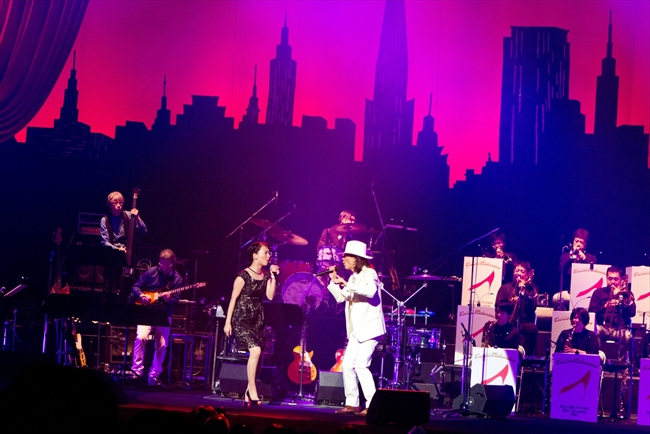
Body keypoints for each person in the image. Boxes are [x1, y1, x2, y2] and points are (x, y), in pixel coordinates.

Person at [325, 240, 386, 417]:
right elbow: (341, 298)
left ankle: (373, 405)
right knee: (347, 364)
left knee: (361, 365)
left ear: (355, 259)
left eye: (346, 257)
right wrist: (334, 282)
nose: (343, 260)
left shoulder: (370, 273)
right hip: (356, 330)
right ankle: (352, 403)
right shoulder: (353, 277)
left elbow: (371, 292)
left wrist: (346, 283)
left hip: (370, 328)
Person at [223, 241, 279, 406]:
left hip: (258, 319)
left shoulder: (266, 275)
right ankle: (253, 389)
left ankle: (249, 390)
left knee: (259, 354)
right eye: (265, 253)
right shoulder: (243, 276)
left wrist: (273, 276)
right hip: (241, 318)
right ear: (255, 256)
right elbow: (233, 299)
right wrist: (228, 322)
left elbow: (270, 296)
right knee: (255, 351)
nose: (269, 256)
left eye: (269, 253)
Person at [130, 248, 182, 386]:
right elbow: (135, 287)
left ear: (173, 262)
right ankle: (136, 373)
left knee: (162, 344)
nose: (164, 267)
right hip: (146, 311)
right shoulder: (151, 272)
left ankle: (153, 375)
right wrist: (142, 295)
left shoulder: (177, 279)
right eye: (162, 264)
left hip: (164, 312)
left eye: (167, 265)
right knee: (141, 337)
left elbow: (175, 302)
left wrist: (169, 299)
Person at [588, 266, 636, 358]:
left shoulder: (626, 294)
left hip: (620, 329)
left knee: (628, 336)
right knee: (595, 331)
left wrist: (623, 301)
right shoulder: (598, 293)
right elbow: (592, 311)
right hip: (603, 327)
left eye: (616, 279)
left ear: (621, 280)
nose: (612, 282)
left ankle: (624, 363)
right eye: (610, 279)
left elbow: (632, 313)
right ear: (606, 279)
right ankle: (597, 360)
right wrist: (604, 307)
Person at [495, 260, 539, 356]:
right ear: (513, 272)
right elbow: (499, 305)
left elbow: (532, 309)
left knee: (533, 329)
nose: (519, 273)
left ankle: (525, 356)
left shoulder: (530, 288)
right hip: (508, 321)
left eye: (522, 271)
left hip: (523, 322)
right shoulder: (505, 288)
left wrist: (524, 295)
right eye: (517, 270)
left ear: (527, 275)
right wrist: (511, 303)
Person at [555, 228, 597, 309]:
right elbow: (560, 270)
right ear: (573, 242)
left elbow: (593, 274)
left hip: (584, 292)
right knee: (555, 298)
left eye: (581, 242)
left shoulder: (591, 258)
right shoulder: (566, 256)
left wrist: (584, 259)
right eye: (576, 241)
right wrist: (570, 258)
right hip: (568, 290)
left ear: (585, 245)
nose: (578, 244)